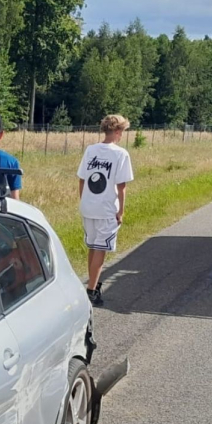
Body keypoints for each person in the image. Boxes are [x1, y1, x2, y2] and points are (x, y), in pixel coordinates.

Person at [77, 114, 134, 306]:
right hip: (106, 207)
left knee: (92, 246)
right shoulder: (120, 154)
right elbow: (121, 186)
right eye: (122, 132)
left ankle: (93, 283)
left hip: (89, 205)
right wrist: (121, 211)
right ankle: (91, 291)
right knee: (101, 249)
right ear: (117, 132)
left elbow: (82, 179)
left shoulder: (91, 150)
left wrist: (84, 200)